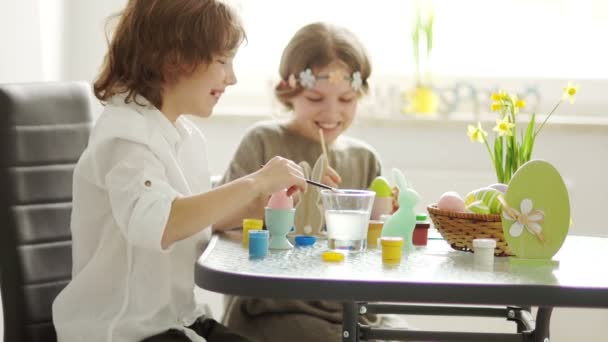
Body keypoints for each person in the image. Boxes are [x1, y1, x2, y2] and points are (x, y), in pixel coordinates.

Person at [51, 1, 306, 341]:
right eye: (221, 61)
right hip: (124, 332)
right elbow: (161, 224)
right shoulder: (126, 137)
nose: (231, 78)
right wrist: (256, 180)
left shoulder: (184, 137)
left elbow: (192, 219)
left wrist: (258, 207)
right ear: (174, 58)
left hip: (178, 321)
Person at [218, 22, 399, 342]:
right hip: (274, 309)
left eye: (346, 99)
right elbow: (225, 228)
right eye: (316, 97)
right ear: (290, 91)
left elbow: (375, 249)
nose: (332, 112)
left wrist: (387, 220)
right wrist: (274, 203)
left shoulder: (365, 158)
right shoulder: (262, 142)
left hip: (349, 310)